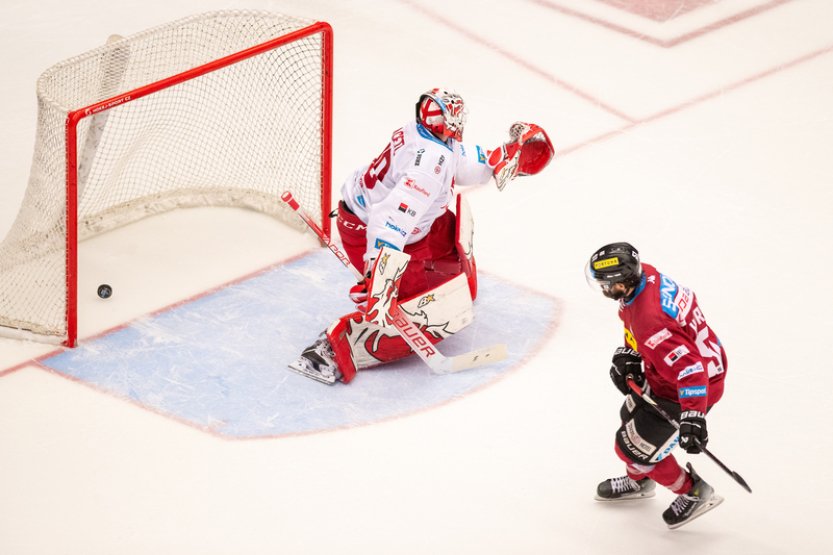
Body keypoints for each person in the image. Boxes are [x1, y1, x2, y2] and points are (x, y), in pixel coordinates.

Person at [289, 88, 553, 385]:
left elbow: (458, 162)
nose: (461, 121)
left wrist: (500, 158)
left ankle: (414, 287)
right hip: (372, 234)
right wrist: (379, 275)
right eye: (456, 117)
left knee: (451, 249)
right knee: (429, 312)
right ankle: (331, 351)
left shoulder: (427, 136)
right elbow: (389, 220)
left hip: (403, 222)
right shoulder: (428, 164)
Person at [585, 242, 728, 529]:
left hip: (684, 389)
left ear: (622, 283)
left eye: (605, 285)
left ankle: (694, 492)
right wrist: (634, 355)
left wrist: (692, 416)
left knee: (631, 449)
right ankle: (642, 477)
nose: (602, 290)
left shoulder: (651, 321)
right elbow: (646, 330)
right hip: (667, 373)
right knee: (629, 419)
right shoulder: (645, 277)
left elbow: (690, 369)